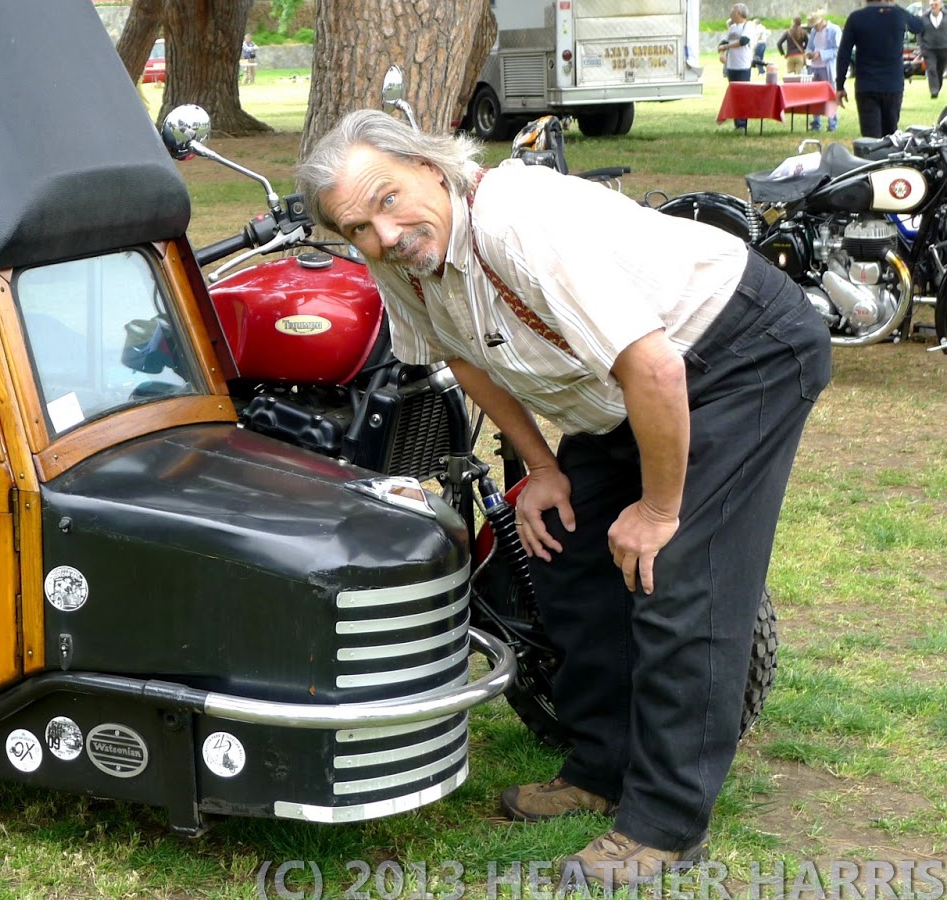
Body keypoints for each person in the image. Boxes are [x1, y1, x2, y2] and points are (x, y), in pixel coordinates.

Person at [295, 111, 830, 888]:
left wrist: (658, 512)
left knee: (680, 575)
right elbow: (460, 359)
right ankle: (602, 766)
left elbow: (656, 368)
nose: (382, 234)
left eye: (388, 199)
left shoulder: (519, 223)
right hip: (622, 391)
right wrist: (543, 469)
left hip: (735, 354)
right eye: (357, 228)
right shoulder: (403, 260)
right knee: (569, 553)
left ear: (431, 168)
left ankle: (665, 824)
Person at [837, 0, 924, 138]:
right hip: (893, 84)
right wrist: (894, 5)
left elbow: (844, 53)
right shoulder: (898, 15)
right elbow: (918, 26)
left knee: (870, 137)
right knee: (890, 136)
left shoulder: (856, 18)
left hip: (866, 84)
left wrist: (840, 85)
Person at [718, 5, 755, 132]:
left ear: (738, 12)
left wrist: (726, 47)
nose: (730, 13)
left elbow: (744, 41)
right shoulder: (732, 28)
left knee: (743, 95)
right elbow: (722, 43)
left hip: (742, 66)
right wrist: (721, 53)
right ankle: (737, 123)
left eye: (732, 11)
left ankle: (743, 124)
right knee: (734, 96)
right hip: (731, 66)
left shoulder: (748, 26)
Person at [805, 10, 843, 130]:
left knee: (830, 96)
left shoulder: (834, 30)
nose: (814, 28)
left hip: (827, 68)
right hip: (814, 67)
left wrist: (821, 54)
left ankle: (832, 124)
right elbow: (810, 46)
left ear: (822, 21)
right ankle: (816, 123)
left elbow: (837, 50)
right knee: (814, 95)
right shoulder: (813, 31)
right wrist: (809, 54)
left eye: (816, 25)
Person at [920, 0, 947, 98]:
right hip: (929, 49)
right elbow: (919, 33)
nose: (933, 6)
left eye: (936, 4)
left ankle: (937, 87)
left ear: (940, 5)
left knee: (939, 70)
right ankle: (934, 91)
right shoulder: (923, 17)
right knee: (931, 68)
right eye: (932, 5)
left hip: (944, 48)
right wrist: (922, 46)